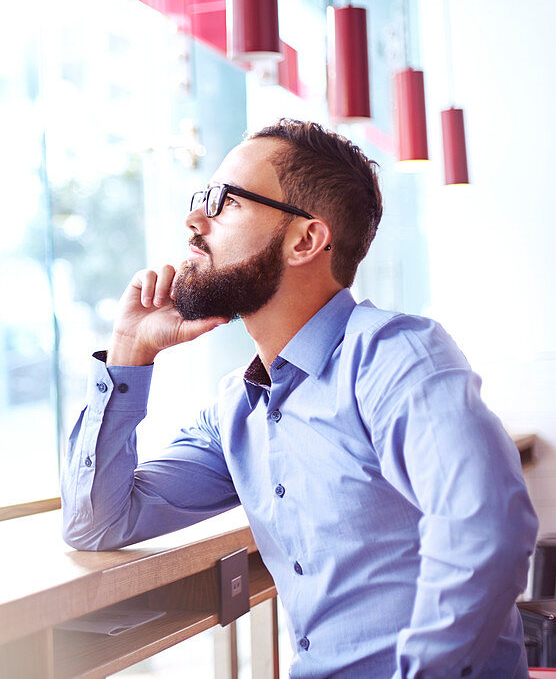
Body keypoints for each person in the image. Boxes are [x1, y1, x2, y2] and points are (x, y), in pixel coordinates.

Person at [60, 118, 538, 678]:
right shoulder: (236, 410)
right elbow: (96, 524)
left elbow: (487, 529)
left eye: (224, 202)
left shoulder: (396, 358)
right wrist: (128, 352)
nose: (193, 220)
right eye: (200, 199)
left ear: (305, 239)